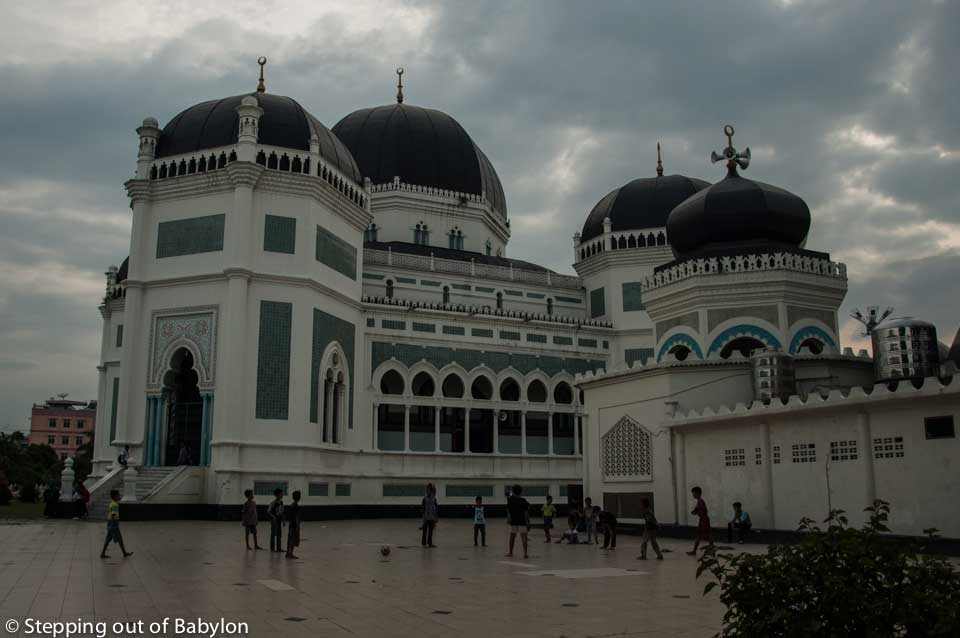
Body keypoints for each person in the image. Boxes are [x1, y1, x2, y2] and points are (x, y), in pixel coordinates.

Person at [100, 489, 133, 558]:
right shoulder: (115, 504)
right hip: (113, 524)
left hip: (110, 522)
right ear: (115, 496)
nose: (119, 496)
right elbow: (113, 514)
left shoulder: (112, 503)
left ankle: (103, 553)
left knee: (108, 539)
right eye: (118, 495)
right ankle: (124, 553)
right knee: (120, 539)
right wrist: (114, 524)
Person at [505, 484, 530, 558]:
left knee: (512, 537)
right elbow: (526, 512)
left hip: (514, 521)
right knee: (524, 537)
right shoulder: (523, 500)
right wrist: (527, 521)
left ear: (513, 491)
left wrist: (508, 519)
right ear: (520, 492)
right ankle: (525, 553)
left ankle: (510, 553)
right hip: (522, 521)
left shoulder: (510, 500)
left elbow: (508, 511)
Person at [687, 486, 712, 555]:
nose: (693, 495)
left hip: (704, 520)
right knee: (700, 535)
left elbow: (703, 511)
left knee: (707, 535)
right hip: (702, 520)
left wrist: (696, 512)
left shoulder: (701, 501)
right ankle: (694, 551)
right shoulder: (699, 501)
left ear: (697, 493)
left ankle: (711, 550)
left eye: (693, 493)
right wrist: (696, 511)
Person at [421, 483, 438, 548]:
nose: (427, 491)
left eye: (428, 490)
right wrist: (423, 517)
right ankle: (424, 544)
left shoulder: (434, 498)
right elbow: (423, 508)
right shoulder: (425, 498)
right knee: (425, 531)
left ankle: (430, 543)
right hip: (426, 517)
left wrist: (436, 517)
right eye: (427, 490)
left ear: (431, 490)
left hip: (432, 517)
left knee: (430, 531)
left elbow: (435, 508)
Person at [285, 490, 301, 559]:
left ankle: (287, 553)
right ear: (299, 497)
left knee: (289, 539)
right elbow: (296, 516)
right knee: (293, 539)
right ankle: (291, 554)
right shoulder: (296, 506)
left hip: (291, 524)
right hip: (294, 525)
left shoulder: (291, 505)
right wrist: (297, 526)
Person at [268, 488, 285, 553]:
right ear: (277, 495)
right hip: (274, 521)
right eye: (281, 494)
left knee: (279, 534)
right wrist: (273, 517)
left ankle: (279, 548)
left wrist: (283, 520)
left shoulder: (281, 502)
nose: (282, 495)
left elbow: (282, 512)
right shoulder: (273, 503)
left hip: (279, 520)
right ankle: (272, 548)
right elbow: (268, 511)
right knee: (273, 534)